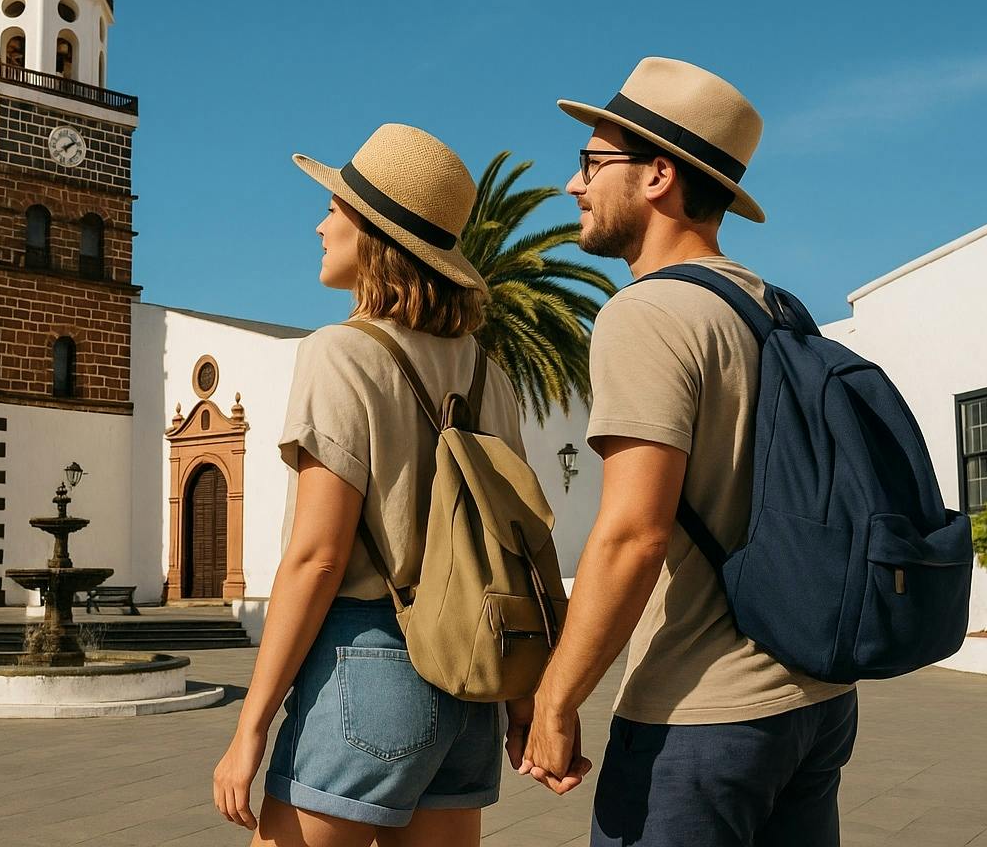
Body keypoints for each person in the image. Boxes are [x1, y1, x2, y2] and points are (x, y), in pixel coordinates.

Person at [518, 58, 858, 846]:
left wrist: (557, 699)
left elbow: (633, 533)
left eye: (593, 162)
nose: (575, 186)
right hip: (815, 700)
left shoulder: (648, 315)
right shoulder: (772, 307)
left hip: (700, 720)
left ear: (658, 176)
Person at [212, 123, 527, 847]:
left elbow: (318, 557)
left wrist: (250, 723)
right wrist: (525, 699)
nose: (320, 223)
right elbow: (510, 543)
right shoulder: (490, 373)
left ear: (374, 235)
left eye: (335, 210)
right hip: (471, 676)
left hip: (370, 663)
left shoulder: (342, 354)